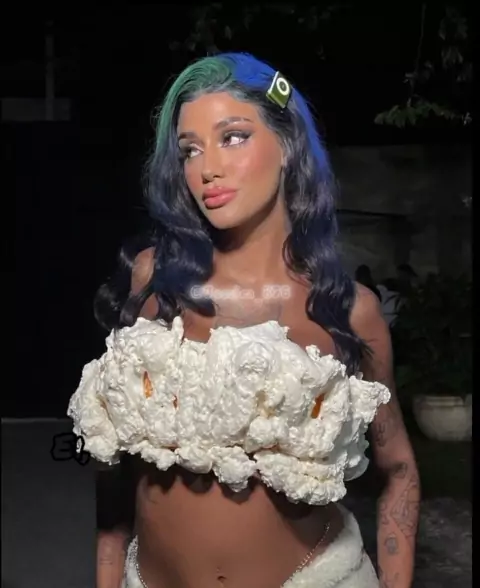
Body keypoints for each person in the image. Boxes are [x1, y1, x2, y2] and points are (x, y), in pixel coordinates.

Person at [68, 53, 419, 588]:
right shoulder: (156, 282)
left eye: (232, 137)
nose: (206, 168)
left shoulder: (349, 310)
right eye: (190, 149)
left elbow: (399, 470)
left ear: (288, 145)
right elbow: (112, 465)